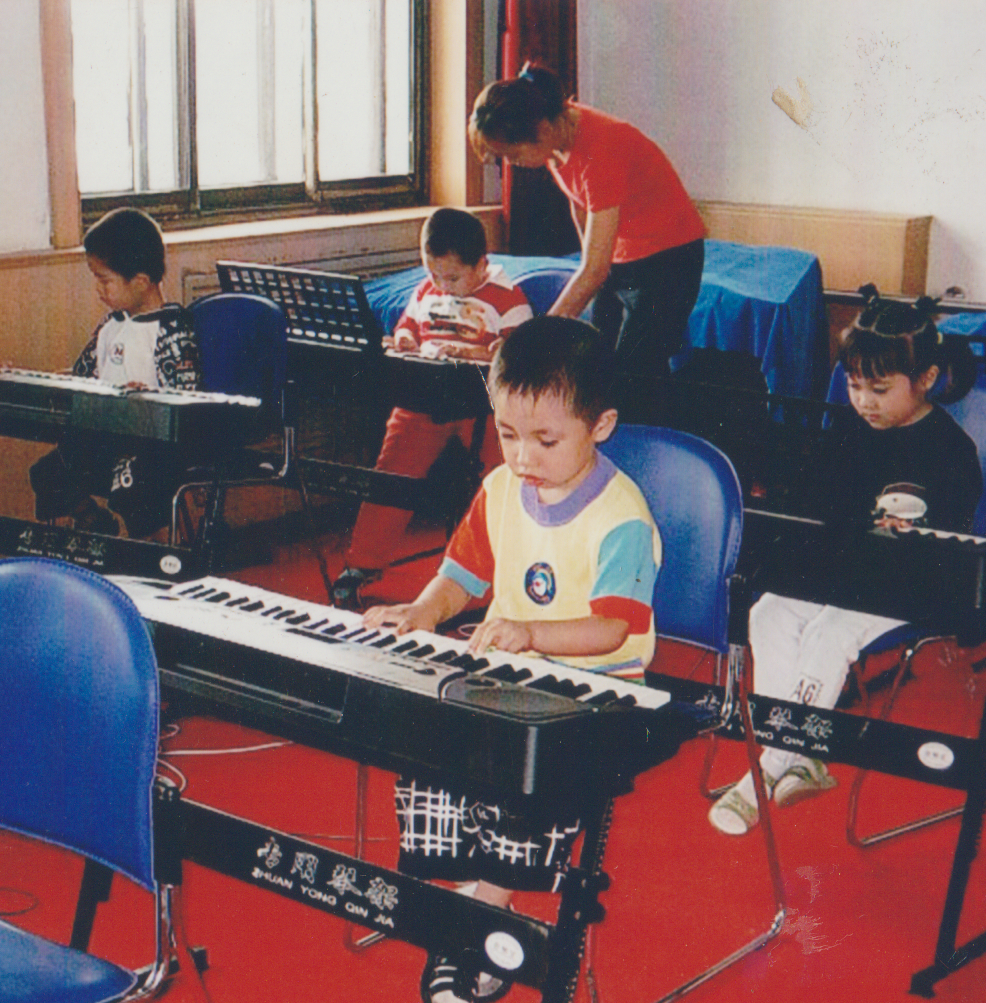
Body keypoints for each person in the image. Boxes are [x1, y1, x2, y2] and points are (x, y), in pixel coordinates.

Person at [362, 316, 659, 1003]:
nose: (521, 455)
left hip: (600, 690)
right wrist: (423, 611)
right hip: (515, 673)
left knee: (528, 764)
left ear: (601, 424)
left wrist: (530, 633)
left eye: (545, 439)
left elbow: (614, 627)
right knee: (430, 727)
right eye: (506, 433)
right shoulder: (499, 491)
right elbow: (460, 575)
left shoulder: (621, 514)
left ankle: (483, 910)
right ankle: (475, 887)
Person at [710, 287, 982, 836]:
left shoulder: (951, 451)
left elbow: (946, 543)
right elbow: (824, 502)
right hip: (850, 572)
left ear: (926, 378)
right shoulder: (852, 429)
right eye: (855, 386)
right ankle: (802, 750)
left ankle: (766, 768)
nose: (863, 401)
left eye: (879, 389)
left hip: (913, 583)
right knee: (769, 612)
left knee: (830, 631)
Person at [469, 64, 706, 420]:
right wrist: (591, 268)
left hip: (669, 258)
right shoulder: (556, 136)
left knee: (634, 373)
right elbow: (582, 207)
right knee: (602, 365)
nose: (512, 164)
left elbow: (593, 271)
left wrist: (535, 339)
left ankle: (666, 458)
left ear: (543, 130)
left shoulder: (603, 148)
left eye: (513, 155)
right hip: (626, 256)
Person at [331, 207, 533, 608]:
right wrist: (404, 337)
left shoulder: (506, 298)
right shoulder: (426, 292)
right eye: (434, 275)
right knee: (392, 467)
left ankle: (502, 565)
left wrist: (477, 350)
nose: (443, 285)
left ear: (481, 265)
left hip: (484, 404)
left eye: (453, 278)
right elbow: (407, 325)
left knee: (504, 475)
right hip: (427, 397)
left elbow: (519, 354)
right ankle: (363, 561)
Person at [28, 207, 199, 537]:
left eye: (104, 280)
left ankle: (153, 556)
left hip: (150, 445)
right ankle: (94, 523)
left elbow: (188, 396)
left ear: (140, 282)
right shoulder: (111, 326)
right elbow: (84, 374)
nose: (99, 290)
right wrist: (36, 376)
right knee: (48, 473)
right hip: (106, 438)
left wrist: (151, 397)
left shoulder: (172, 331)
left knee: (132, 485)